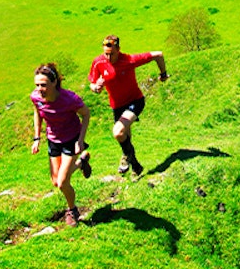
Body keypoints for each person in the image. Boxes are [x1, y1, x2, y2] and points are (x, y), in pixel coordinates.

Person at [88, 34, 167, 176]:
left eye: (111, 54)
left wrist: (163, 73)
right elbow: (92, 84)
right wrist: (96, 88)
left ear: (119, 49)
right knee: (124, 136)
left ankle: (127, 157)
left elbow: (158, 54)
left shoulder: (129, 60)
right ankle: (136, 166)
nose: (108, 58)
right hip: (117, 106)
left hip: (135, 101)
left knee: (118, 132)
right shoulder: (98, 63)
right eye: (105, 53)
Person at [29, 63, 90, 226]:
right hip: (53, 140)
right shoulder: (35, 97)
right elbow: (37, 113)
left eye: (43, 85)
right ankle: (81, 163)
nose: (39, 89)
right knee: (56, 182)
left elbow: (86, 114)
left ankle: (72, 210)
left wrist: (80, 140)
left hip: (71, 139)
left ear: (54, 82)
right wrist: (37, 138)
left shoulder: (69, 99)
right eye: (37, 85)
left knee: (63, 182)